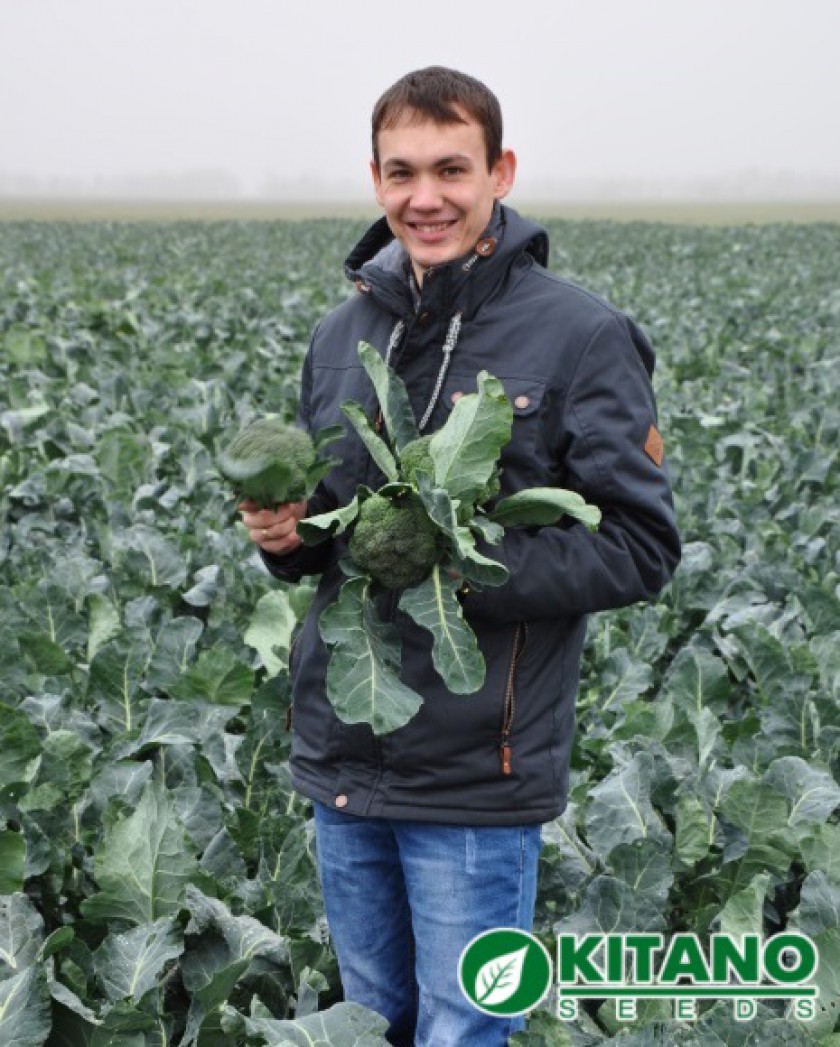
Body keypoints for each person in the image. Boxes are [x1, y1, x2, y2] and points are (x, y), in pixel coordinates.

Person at [239, 66, 680, 1047]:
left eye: (451, 169)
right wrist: (289, 540)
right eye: (401, 172)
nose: (425, 197)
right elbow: (337, 537)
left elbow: (641, 545)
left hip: (477, 775)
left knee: (461, 1030)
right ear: (375, 179)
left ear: (500, 172)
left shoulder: (581, 336)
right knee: (369, 1024)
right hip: (344, 760)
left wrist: (452, 568)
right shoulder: (342, 335)